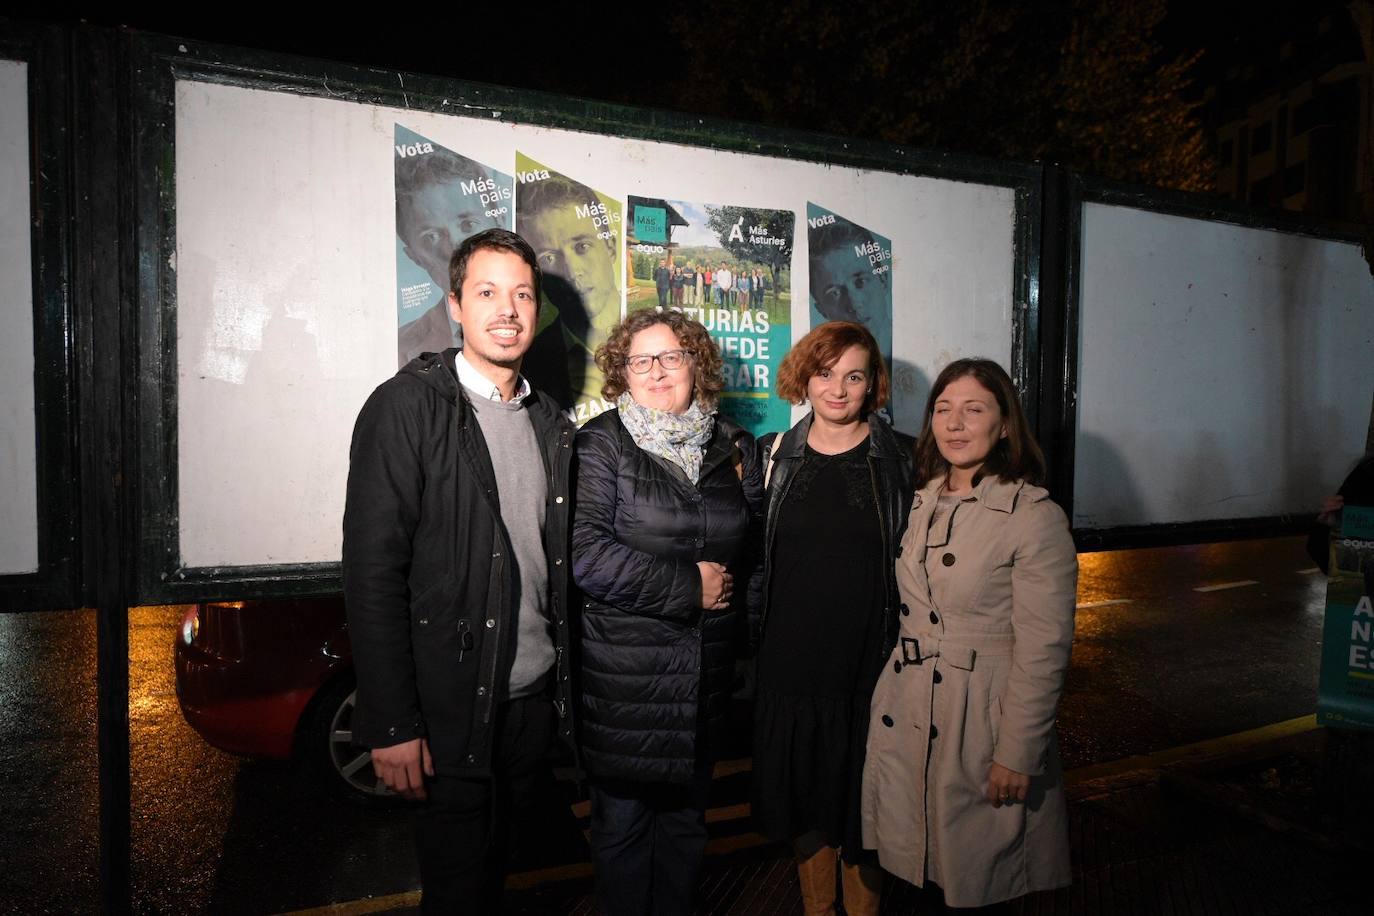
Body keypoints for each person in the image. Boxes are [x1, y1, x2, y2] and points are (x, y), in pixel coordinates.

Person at [343, 228, 578, 914]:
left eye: (522, 294)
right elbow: (372, 572)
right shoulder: (408, 407)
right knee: (457, 893)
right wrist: (390, 722)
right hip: (450, 715)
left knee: (507, 879)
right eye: (487, 292)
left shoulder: (549, 422)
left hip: (530, 707)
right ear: (453, 305)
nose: (507, 309)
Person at [862, 357, 1077, 909]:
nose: (955, 424)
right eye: (943, 409)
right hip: (910, 707)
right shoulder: (923, 499)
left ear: (1004, 424)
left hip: (979, 723)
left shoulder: (1033, 517)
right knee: (913, 881)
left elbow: (1044, 649)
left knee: (974, 883)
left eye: (973, 409)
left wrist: (1018, 752)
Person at [572, 308, 764, 916]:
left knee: (686, 828)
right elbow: (586, 556)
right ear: (621, 372)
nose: (656, 371)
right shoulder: (600, 444)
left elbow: (753, 551)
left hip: (705, 675)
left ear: (696, 366)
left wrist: (747, 646)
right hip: (626, 679)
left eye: (671, 357)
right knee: (624, 831)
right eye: (640, 360)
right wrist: (689, 587)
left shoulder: (733, 444)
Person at [752, 322, 913, 916]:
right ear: (805, 377)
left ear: (872, 384)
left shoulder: (901, 459)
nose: (838, 389)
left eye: (854, 375)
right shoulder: (775, 455)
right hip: (790, 667)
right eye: (825, 373)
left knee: (865, 802)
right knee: (806, 802)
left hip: (870, 668)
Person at [518, 173, 623, 413]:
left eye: (582, 247)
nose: (573, 271)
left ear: (610, 248)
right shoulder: (529, 366)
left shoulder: (658, 347)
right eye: (550, 257)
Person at [393, 147, 506, 367]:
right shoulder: (404, 347)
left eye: (468, 225)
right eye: (431, 237)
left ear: (499, 222)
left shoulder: (554, 327)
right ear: (415, 256)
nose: (455, 246)